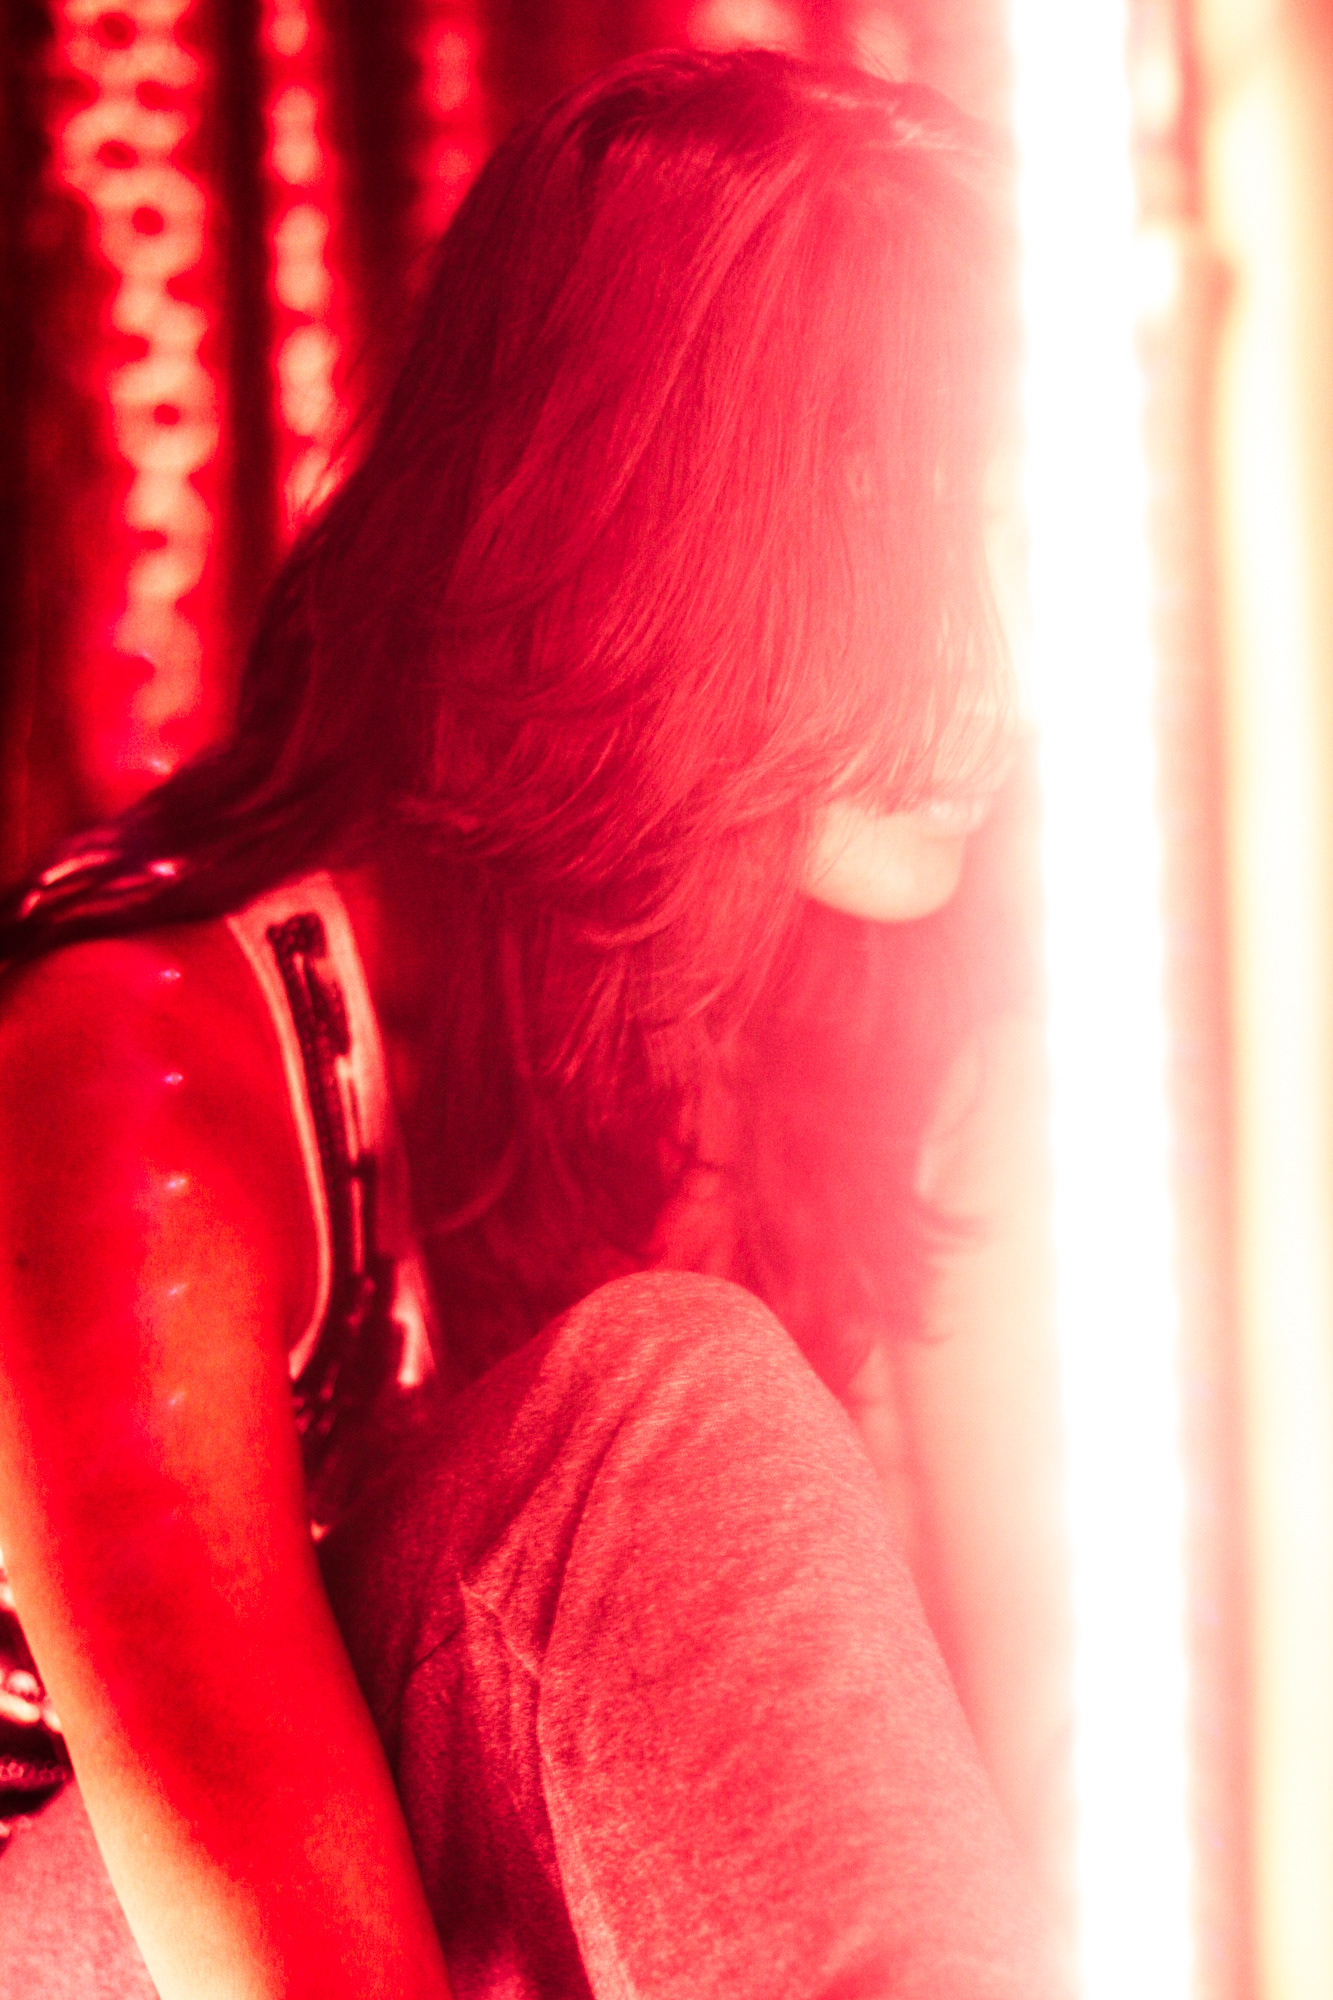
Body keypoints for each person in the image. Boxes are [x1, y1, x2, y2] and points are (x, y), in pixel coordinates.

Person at [0, 46, 1063, 1999]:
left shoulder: (886, 1014)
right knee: (665, 1416)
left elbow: (1058, 1784)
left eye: (1032, 536)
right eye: (909, 540)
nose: (1008, 668)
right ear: (657, 526)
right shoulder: (148, 1061)